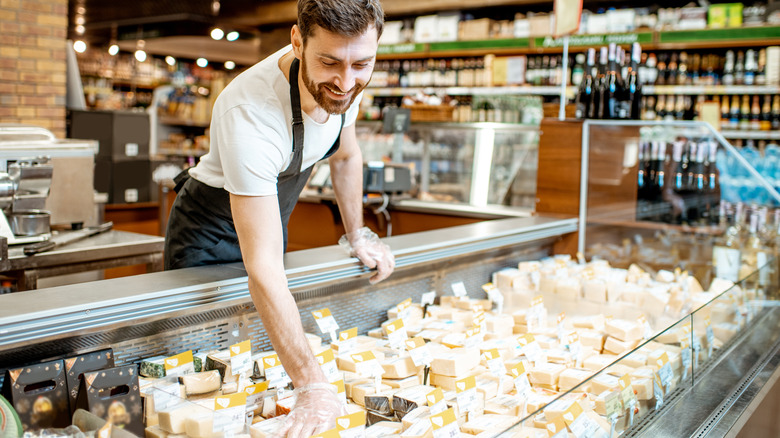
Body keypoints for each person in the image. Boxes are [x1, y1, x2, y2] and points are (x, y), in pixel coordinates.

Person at [163, 0, 394, 436]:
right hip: (207, 235)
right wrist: (313, 387)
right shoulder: (248, 113)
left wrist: (357, 234)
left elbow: (346, 156)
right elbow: (264, 268)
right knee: (203, 373)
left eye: (362, 63)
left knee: (256, 357)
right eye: (329, 63)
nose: (346, 82)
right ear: (297, 41)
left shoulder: (345, 86)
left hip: (265, 220)